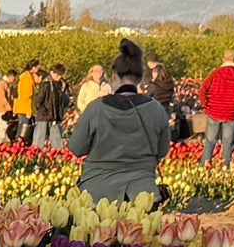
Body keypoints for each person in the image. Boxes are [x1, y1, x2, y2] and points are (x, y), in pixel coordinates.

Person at [67, 39, 170, 204]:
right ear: (139, 78)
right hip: (142, 193)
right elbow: (162, 150)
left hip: (97, 192)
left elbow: (76, 148)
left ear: (114, 76)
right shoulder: (156, 109)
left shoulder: (96, 108)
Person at [199, 51, 234, 169]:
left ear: (223, 59)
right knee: (228, 141)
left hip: (214, 110)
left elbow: (203, 89)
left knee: (210, 140)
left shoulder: (215, 73)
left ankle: (205, 163)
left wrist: (206, 105)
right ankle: (225, 166)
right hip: (232, 112)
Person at [30, 64, 70, 150]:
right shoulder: (46, 84)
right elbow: (38, 101)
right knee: (39, 140)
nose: (59, 77)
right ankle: (34, 155)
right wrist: (44, 111)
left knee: (57, 141)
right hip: (44, 117)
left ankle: (59, 156)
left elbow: (65, 102)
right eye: (57, 74)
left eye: (61, 75)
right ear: (52, 73)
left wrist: (63, 92)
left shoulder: (61, 85)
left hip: (55, 117)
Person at [12, 60, 39, 143]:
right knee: (23, 126)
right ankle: (18, 144)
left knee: (23, 125)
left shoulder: (25, 76)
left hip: (22, 106)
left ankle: (19, 143)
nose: (38, 69)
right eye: (37, 67)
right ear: (33, 68)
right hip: (24, 107)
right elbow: (27, 95)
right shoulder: (26, 78)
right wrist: (29, 111)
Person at [0, 70, 18, 144]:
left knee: (5, 125)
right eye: (14, 78)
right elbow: (2, 97)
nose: (14, 79)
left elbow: (11, 98)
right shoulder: (2, 84)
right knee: (3, 125)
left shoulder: (8, 85)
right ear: (10, 77)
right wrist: (8, 106)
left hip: (4, 109)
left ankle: (5, 141)